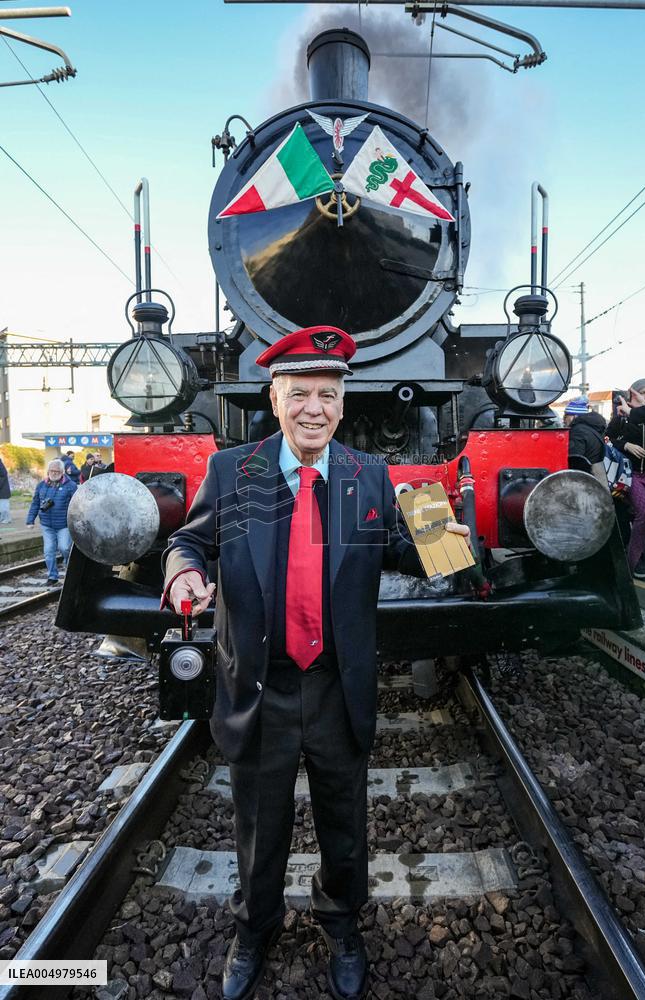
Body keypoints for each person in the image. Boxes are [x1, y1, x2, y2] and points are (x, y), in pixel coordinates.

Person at [161, 326, 469, 1000]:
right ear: (275, 400)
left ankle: (342, 922)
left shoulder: (369, 476)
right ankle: (255, 928)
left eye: (327, 395)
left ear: (341, 404)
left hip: (336, 684)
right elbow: (188, 541)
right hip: (261, 686)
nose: (313, 408)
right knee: (259, 824)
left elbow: (419, 552)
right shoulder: (232, 473)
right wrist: (183, 572)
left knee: (344, 820)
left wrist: (452, 537)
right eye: (299, 393)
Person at [608, 378, 645, 579]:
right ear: (633, 395)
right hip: (632, 475)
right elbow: (607, 439)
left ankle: (642, 560)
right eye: (644, 392)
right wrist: (626, 446)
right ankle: (631, 564)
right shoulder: (623, 416)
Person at [26, 459, 77, 585]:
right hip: (47, 525)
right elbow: (35, 503)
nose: (54, 473)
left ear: (62, 472)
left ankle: (68, 568)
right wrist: (30, 520)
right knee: (49, 551)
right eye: (52, 471)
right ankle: (52, 576)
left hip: (64, 525)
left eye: (57, 471)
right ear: (48, 471)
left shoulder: (70, 486)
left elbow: (77, 505)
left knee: (65, 548)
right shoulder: (41, 485)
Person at [563, 396, 608, 488]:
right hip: (596, 479)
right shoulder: (592, 429)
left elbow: (575, 461)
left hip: (583, 483)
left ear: (574, 416)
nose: (564, 419)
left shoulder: (577, 432)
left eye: (566, 415)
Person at [0, 457, 11, 525]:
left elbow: (4, 474)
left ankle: (7, 519)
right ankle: (2, 518)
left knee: (4, 507)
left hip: (3, 490)